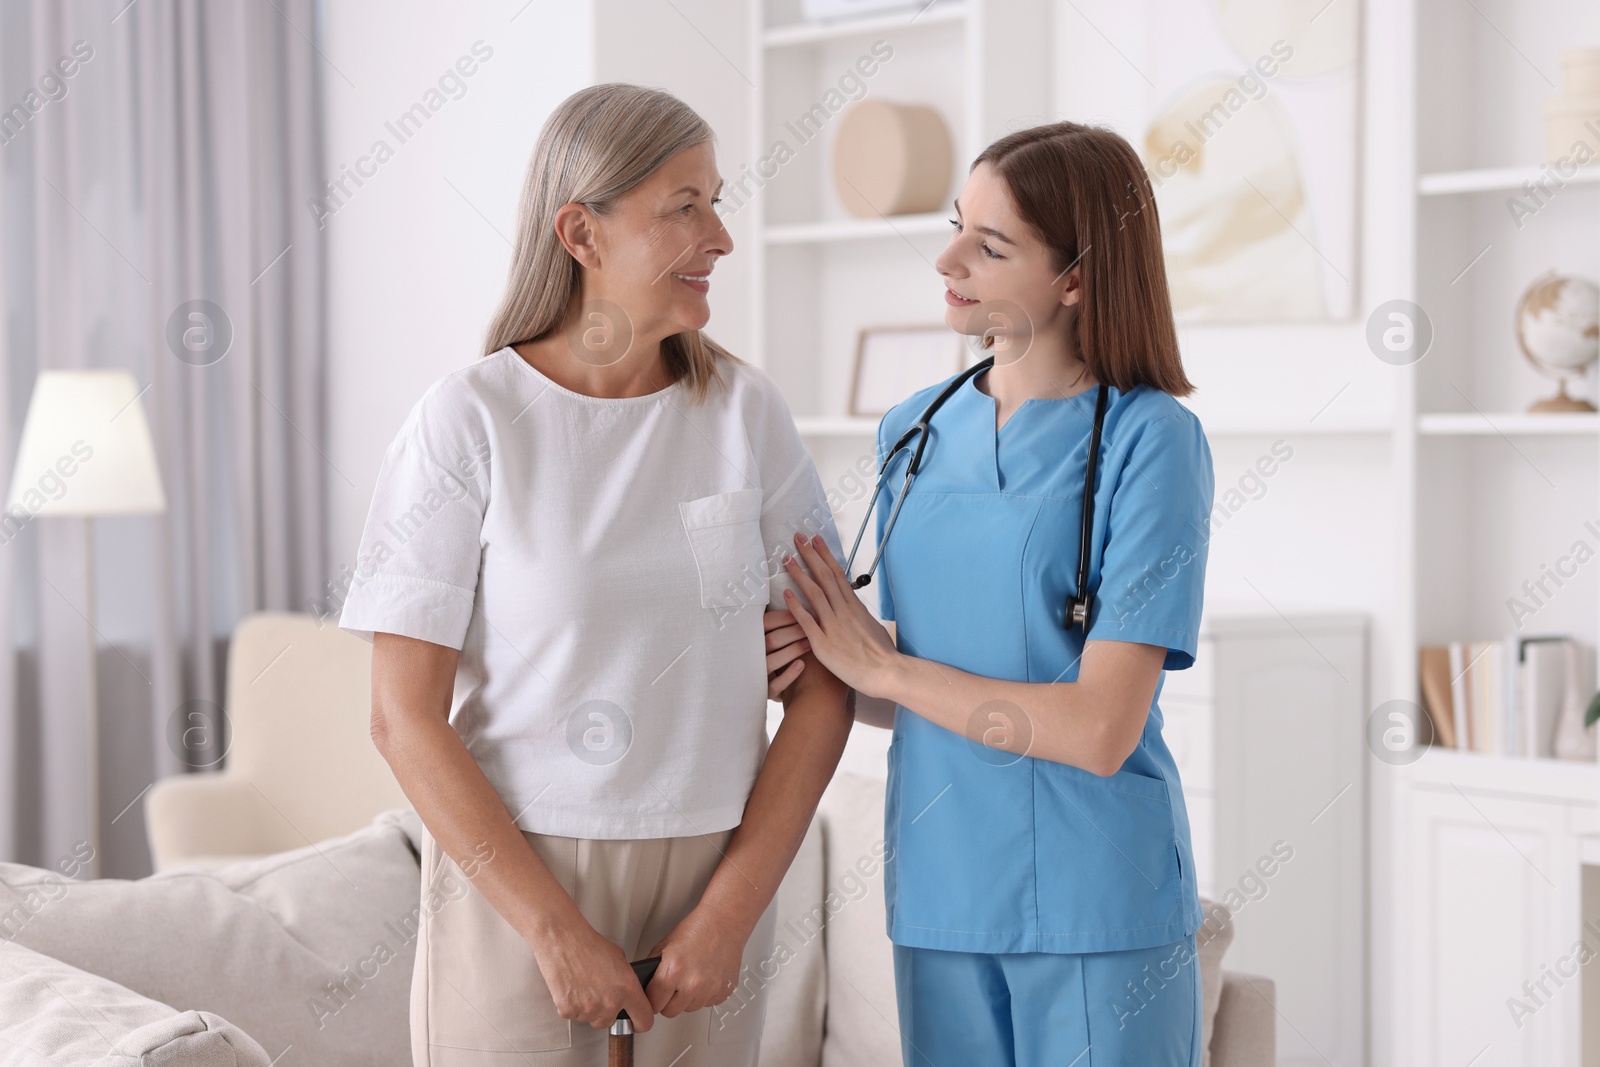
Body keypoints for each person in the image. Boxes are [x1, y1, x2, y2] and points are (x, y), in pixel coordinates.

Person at [338, 83, 851, 1067]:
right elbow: (403, 716)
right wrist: (553, 930)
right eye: (685, 206)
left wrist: (730, 910)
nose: (721, 237)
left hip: (715, 875)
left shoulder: (746, 416)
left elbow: (828, 682)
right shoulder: (469, 423)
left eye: (716, 199)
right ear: (581, 232)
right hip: (517, 884)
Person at [762, 121, 1216, 1065]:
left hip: (1100, 899)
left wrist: (881, 665)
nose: (947, 258)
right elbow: (920, 687)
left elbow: (1099, 728)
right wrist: (815, 664)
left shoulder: (1150, 441)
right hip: (941, 897)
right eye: (956, 225)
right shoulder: (911, 432)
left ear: (1077, 278)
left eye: (990, 244)